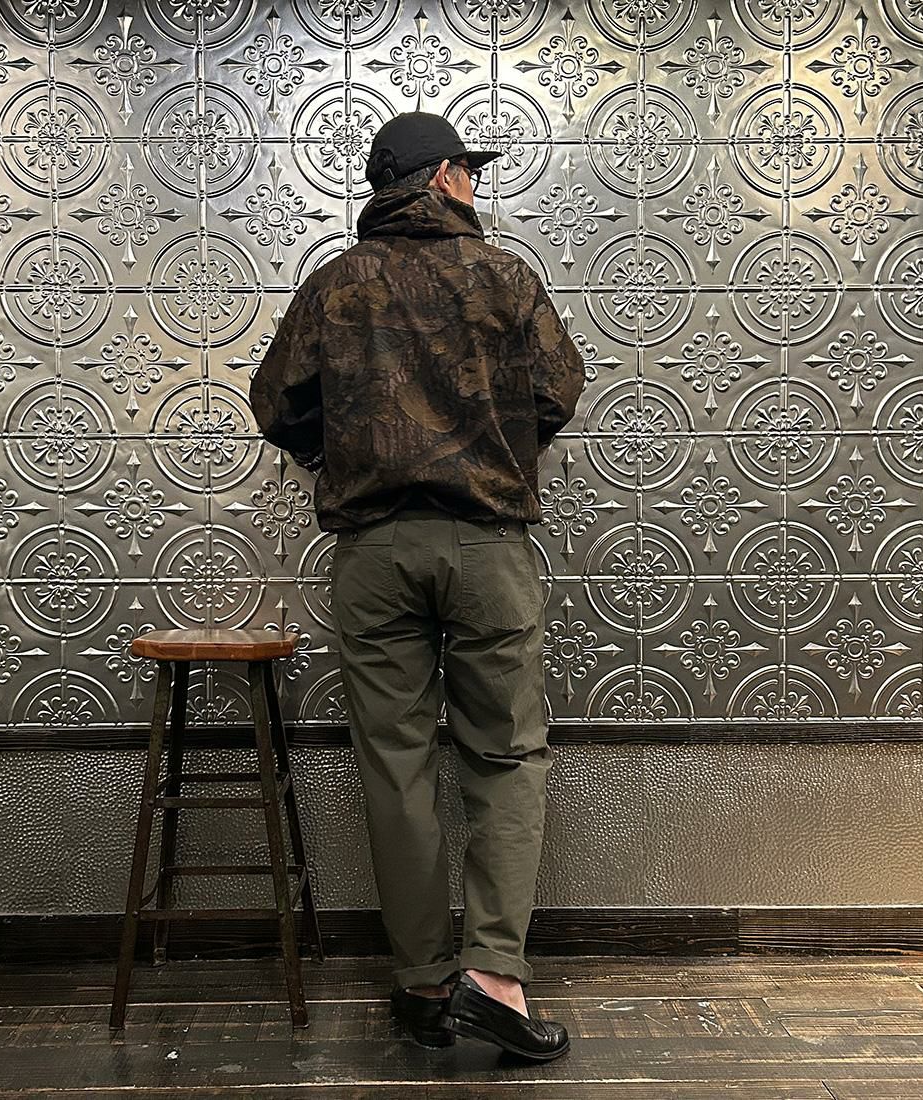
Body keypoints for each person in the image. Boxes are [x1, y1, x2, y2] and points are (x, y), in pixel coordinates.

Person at [251, 111, 585, 1062]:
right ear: (440, 178)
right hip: (486, 544)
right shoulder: (506, 277)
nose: (476, 183)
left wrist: (346, 453)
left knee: (395, 764)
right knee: (505, 756)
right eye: (468, 170)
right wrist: (492, 443)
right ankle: (495, 980)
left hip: (374, 550)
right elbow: (558, 390)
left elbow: (276, 403)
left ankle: (424, 983)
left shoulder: (334, 283)